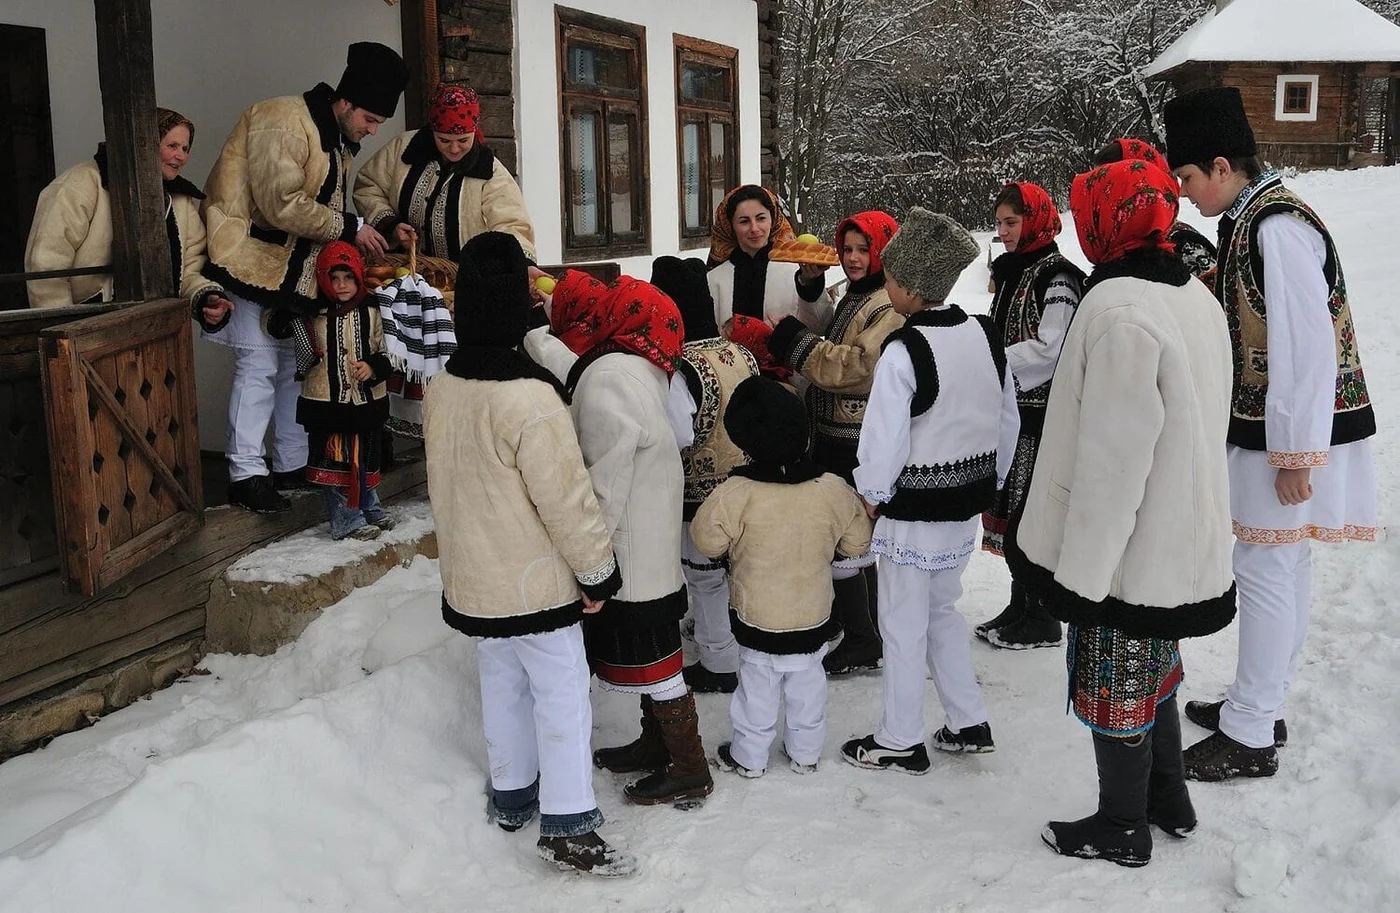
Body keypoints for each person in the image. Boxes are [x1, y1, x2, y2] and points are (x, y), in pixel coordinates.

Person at [1006, 158, 1236, 868]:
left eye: (1086, 213)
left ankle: (1122, 824)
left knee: (1114, 676)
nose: (1078, 227)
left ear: (1111, 220)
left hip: (1126, 545)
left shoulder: (1118, 310)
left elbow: (1112, 463)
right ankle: (1168, 799)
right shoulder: (1193, 293)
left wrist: (1081, 576)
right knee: (1154, 664)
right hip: (1176, 532)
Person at [1163, 87, 1378, 782]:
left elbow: (1306, 346)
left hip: (1286, 430)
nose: (1188, 195)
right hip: (1277, 425)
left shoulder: (1277, 227)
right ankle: (1263, 699)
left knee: (1263, 567)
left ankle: (1251, 729)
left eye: (1189, 179)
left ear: (1222, 165)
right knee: (1280, 566)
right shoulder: (1255, 218)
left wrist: (1294, 453)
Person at [422, 231, 634, 876]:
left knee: (501, 682)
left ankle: (512, 793)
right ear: (522, 310)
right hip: (535, 583)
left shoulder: (443, 387)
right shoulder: (531, 400)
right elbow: (567, 501)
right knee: (562, 690)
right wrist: (598, 571)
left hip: (475, 576)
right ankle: (569, 821)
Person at [524, 272, 714, 807]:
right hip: (651, 541)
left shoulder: (609, 377)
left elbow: (603, 481)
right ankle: (656, 744)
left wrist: (592, 562)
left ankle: (688, 765)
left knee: (659, 662)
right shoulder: (642, 366)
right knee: (656, 654)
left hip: (630, 547)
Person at [841, 208, 1019, 773]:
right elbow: (1007, 417)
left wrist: (870, 494)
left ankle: (899, 736)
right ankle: (968, 719)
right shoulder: (985, 334)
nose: (885, 283)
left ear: (913, 285)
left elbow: (884, 437)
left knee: (900, 620)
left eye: (890, 276)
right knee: (942, 610)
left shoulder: (904, 351)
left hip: (913, 511)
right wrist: (991, 477)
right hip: (963, 505)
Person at [201, 41, 407, 513]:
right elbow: (281, 204)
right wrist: (351, 228)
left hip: (292, 275)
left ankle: (292, 463)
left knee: (297, 368)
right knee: (257, 368)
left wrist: (366, 227)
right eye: (370, 120)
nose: (372, 131)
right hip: (252, 262)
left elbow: (327, 207)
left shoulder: (336, 138)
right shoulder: (284, 119)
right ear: (347, 101)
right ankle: (245, 473)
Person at [691, 377, 873, 777]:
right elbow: (858, 542)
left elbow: (706, 540)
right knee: (809, 685)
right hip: (812, 616)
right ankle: (805, 752)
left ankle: (750, 756)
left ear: (746, 442)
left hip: (757, 617)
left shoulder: (735, 493)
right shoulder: (832, 489)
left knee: (755, 689)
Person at [353, 83, 538, 447]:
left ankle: (453, 439)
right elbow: (367, 185)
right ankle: (389, 437)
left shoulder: (491, 174)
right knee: (395, 353)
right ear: (431, 132)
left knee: (451, 366)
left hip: (458, 292)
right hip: (402, 278)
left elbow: (512, 227)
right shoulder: (402, 151)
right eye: (443, 140)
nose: (453, 149)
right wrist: (389, 222)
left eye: (462, 141)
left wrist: (523, 265)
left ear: (474, 133)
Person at [768, 210, 905, 676]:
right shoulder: (857, 294)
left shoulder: (888, 305)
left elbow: (856, 366)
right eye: (846, 249)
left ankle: (866, 636)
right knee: (848, 536)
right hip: (831, 433)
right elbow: (833, 327)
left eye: (864, 250)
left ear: (883, 251)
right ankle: (860, 622)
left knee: (850, 539)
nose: (852, 258)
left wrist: (792, 340)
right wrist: (810, 289)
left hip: (856, 438)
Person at [974, 182, 1085, 650]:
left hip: (1042, 420)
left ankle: (1041, 614)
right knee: (1014, 511)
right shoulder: (1017, 270)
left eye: (1012, 222)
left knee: (1032, 514)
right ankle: (1021, 603)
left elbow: (1052, 347)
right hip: (1014, 413)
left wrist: (993, 360)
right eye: (999, 223)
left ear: (1036, 220)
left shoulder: (1056, 278)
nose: (1003, 232)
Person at [651, 256, 759, 695]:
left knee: (704, 576)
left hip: (699, 492)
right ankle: (739, 643)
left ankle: (718, 660)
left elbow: (677, 431)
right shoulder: (740, 351)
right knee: (735, 571)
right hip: (748, 482)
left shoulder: (680, 366)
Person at [24, 108, 233, 332]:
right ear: (145, 143)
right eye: (172, 146)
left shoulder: (180, 202)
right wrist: (64, 330)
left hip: (153, 330)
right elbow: (46, 261)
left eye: (185, 148)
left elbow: (190, 268)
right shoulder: (81, 183)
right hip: (88, 326)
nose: (181, 156)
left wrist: (206, 298)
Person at [298, 242, 395, 541]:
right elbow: (275, 324)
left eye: (348, 277)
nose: (341, 285)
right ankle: (346, 520)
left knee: (365, 457)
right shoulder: (312, 313)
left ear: (359, 278)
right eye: (334, 278)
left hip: (365, 402)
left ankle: (369, 506)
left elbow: (389, 349)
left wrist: (373, 367)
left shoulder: (373, 312)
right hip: (327, 405)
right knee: (336, 461)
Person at [1092, 138, 1218, 284]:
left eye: (1108, 185)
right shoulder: (1115, 248)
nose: (1100, 197)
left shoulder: (1182, 243)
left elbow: (1217, 302)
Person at [706, 185, 831, 331]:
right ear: (730, 226)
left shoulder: (795, 272)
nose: (754, 228)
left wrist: (810, 286)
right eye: (744, 221)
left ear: (773, 219)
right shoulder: (714, 279)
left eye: (761, 218)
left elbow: (820, 325)